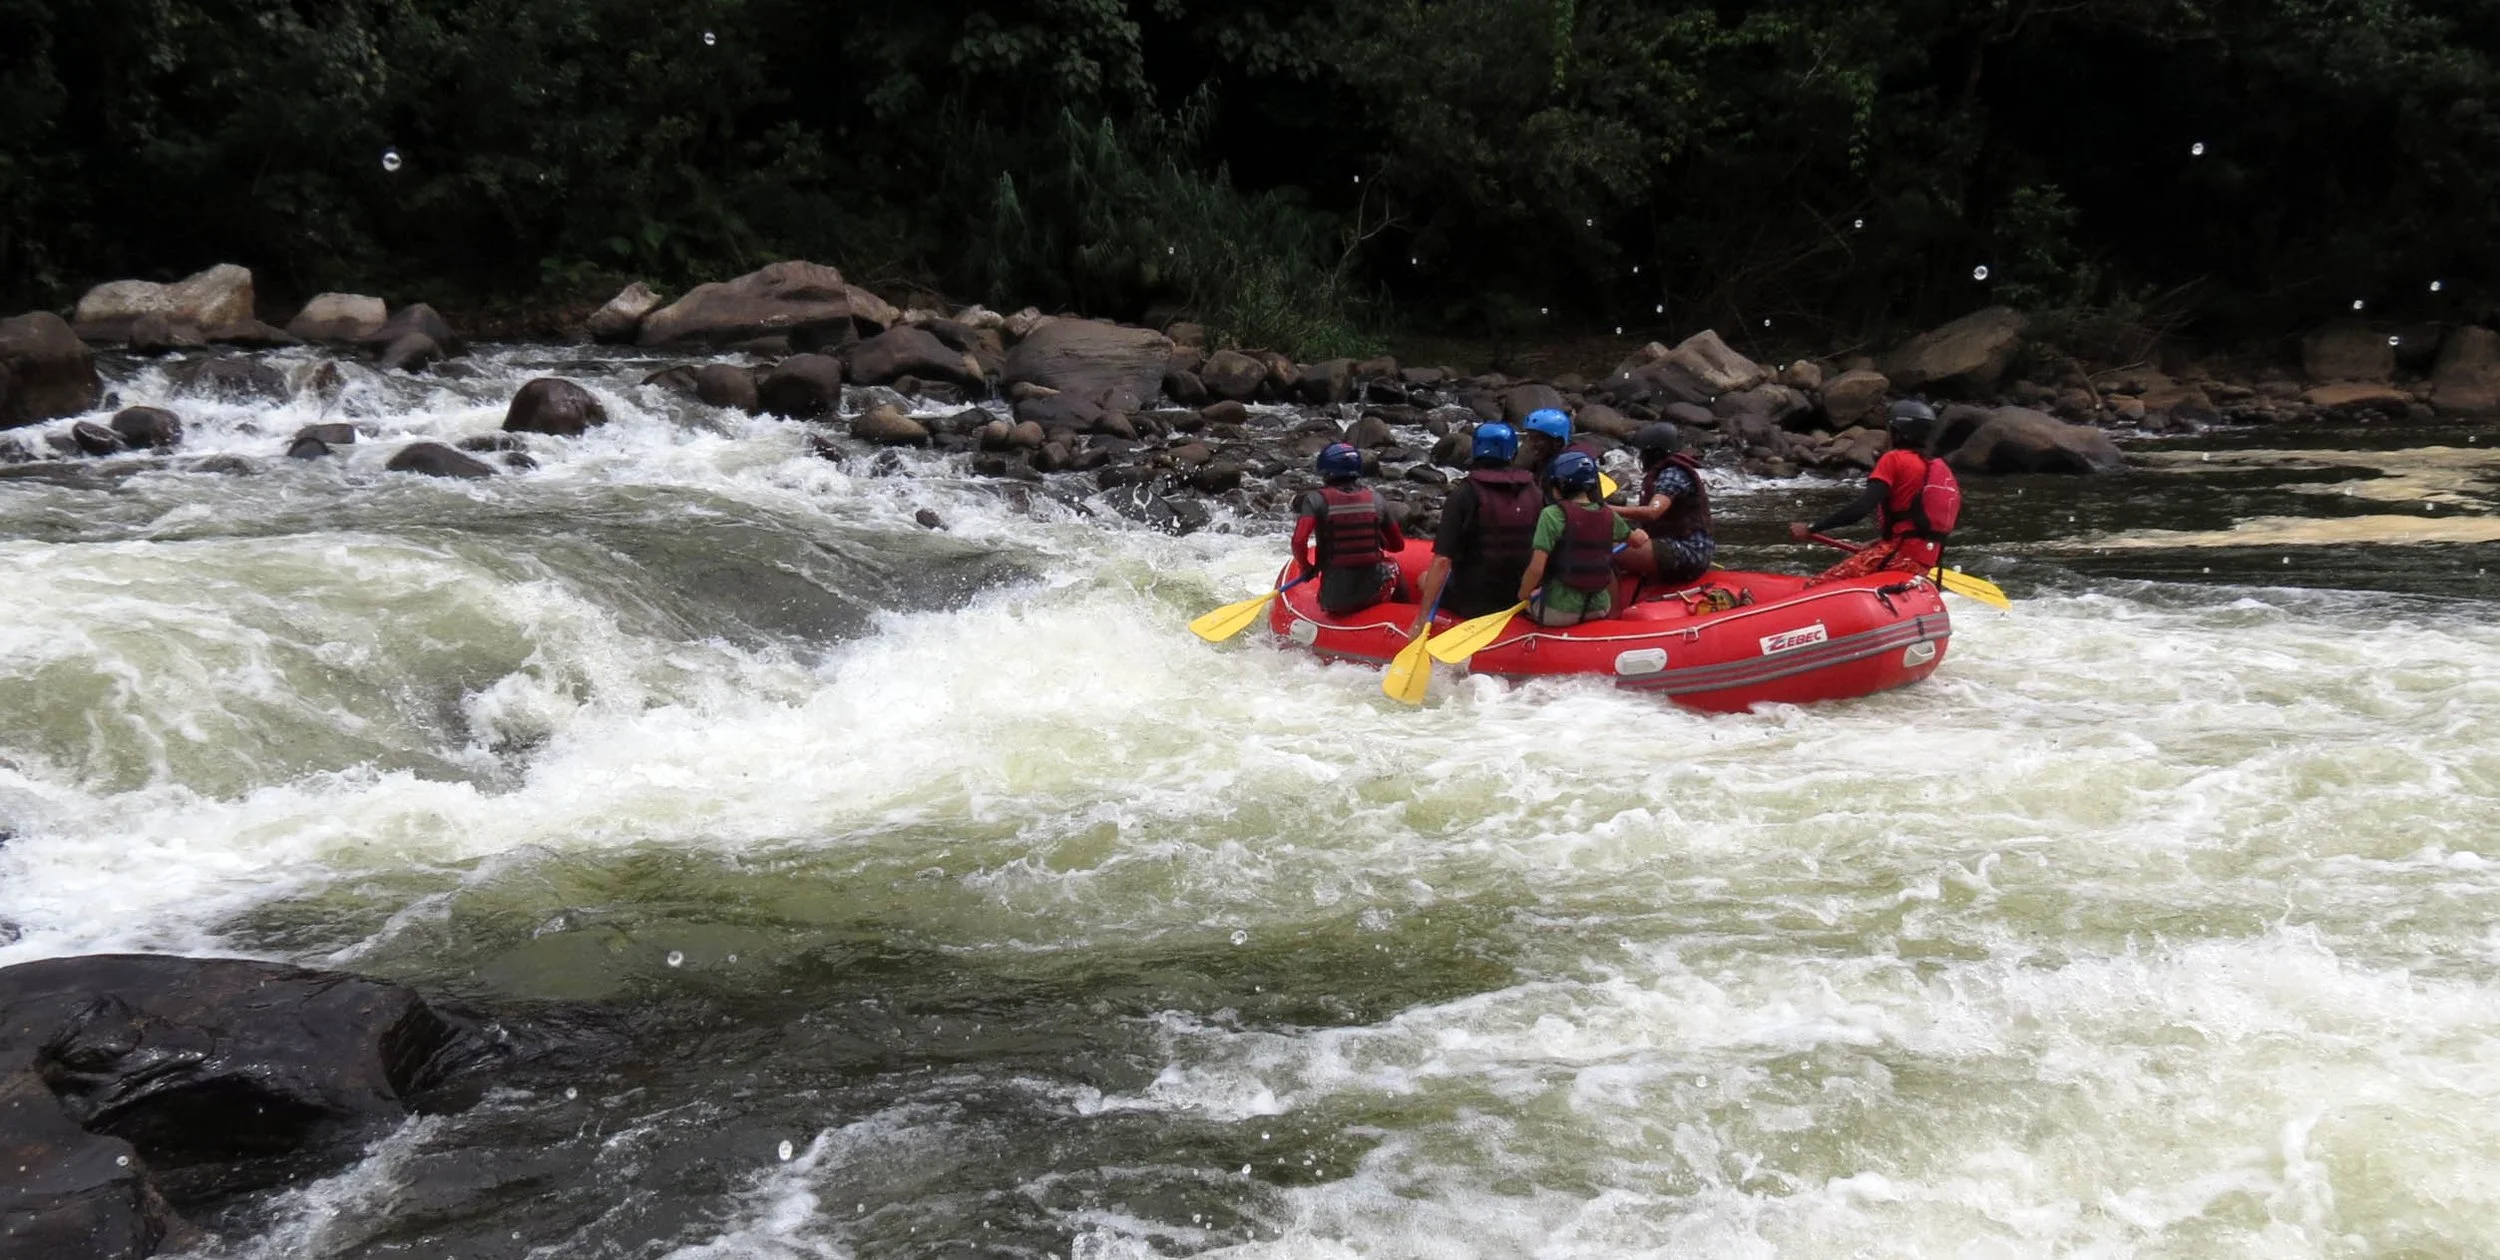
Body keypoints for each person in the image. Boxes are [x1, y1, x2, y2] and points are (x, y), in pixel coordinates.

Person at [1788, 399, 1961, 584]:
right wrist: (1881, 542)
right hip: (1923, 562)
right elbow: (1920, 523)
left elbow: (1860, 509)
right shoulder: (1938, 467)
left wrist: (1811, 528)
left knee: (1815, 587)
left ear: (1898, 432)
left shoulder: (1894, 459)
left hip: (1897, 556)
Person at [1407, 422, 1543, 637]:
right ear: (1512, 451)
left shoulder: (1464, 494)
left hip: (1474, 603)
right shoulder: (1534, 491)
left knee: (1424, 579)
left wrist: (1421, 620)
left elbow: (1442, 561)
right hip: (1519, 598)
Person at [1517, 450, 1645, 626]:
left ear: (1560, 485)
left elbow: (1536, 569)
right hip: (1599, 608)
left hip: (1559, 612)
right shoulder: (1608, 514)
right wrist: (1641, 534)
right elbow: (1636, 541)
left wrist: (1524, 596)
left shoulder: (1551, 515)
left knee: (1528, 607)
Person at [1294, 442, 1408, 615]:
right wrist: (1373, 539)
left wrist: (1306, 567)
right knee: (1393, 566)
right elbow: (1398, 545)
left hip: (1333, 599)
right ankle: (1404, 613)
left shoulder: (1315, 500)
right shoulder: (1376, 499)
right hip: (1372, 593)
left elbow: (1298, 541)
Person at [1612, 422, 1715, 586]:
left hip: (1687, 552)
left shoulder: (1672, 474)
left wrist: (1608, 510)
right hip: (1677, 546)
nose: (1641, 458)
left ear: (1655, 453)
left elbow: (1653, 512)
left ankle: (1605, 608)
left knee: (1599, 550)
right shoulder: (1664, 472)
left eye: (1644, 453)